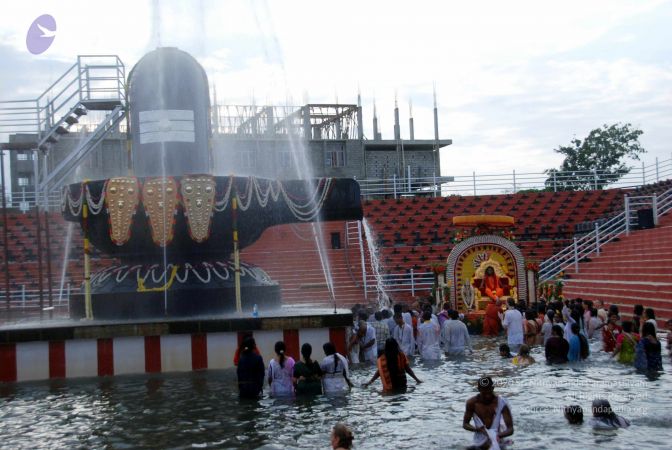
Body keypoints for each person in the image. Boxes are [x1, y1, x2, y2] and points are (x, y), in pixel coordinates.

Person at [463, 376, 514, 450]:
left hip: (498, 439)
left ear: (493, 388)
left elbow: (510, 429)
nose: (487, 396)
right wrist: (478, 429)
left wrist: (497, 436)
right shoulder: (471, 403)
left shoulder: (502, 403)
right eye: (484, 393)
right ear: (479, 389)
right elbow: (465, 424)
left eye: (489, 392)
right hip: (480, 441)